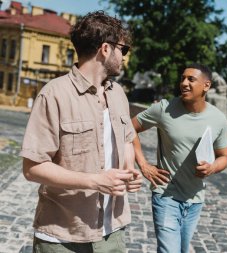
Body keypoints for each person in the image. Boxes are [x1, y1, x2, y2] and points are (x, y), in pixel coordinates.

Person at [20, 11, 142, 253]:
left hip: (112, 233)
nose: (124, 57)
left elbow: (127, 139)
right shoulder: (54, 94)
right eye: (123, 50)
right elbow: (32, 167)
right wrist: (95, 181)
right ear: (106, 49)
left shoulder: (118, 94)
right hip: (63, 235)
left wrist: (130, 170)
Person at [132, 63, 227, 253]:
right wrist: (143, 164)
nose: (184, 83)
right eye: (183, 78)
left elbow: (224, 156)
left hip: (195, 199)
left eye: (191, 79)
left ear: (206, 86)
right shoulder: (164, 108)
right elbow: (130, 127)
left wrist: (212, 167)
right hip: (166, 195)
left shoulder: (218, 119)